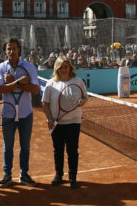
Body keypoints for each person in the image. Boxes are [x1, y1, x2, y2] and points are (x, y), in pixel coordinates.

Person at [0, 37, 40, 187]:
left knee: (25, 146)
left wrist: (14, 82)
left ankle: (24, 174)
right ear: (5, 51)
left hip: (26, 114)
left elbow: (35, 89)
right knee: (8, 146)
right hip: (8, 114)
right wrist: (20, 82)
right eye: (9, 49)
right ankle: (7, 175)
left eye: (14, 48)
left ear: (19, 49)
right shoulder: (0, 67)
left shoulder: (29, 66)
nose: (11, 51)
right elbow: (1, 89)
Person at [42, 56, 88, 189]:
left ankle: (72, 177)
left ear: (70, 68)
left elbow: (85, 97)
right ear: (57, 68)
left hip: (74, 122)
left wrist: (83, 102)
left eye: (66, 67)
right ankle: (59, 175)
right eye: (61, 67)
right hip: (57, 123)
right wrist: (50, 119)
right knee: (58, 150)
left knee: (73, 150)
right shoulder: (51, 83)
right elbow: (45, 104)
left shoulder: (78, 81)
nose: (63, 69)